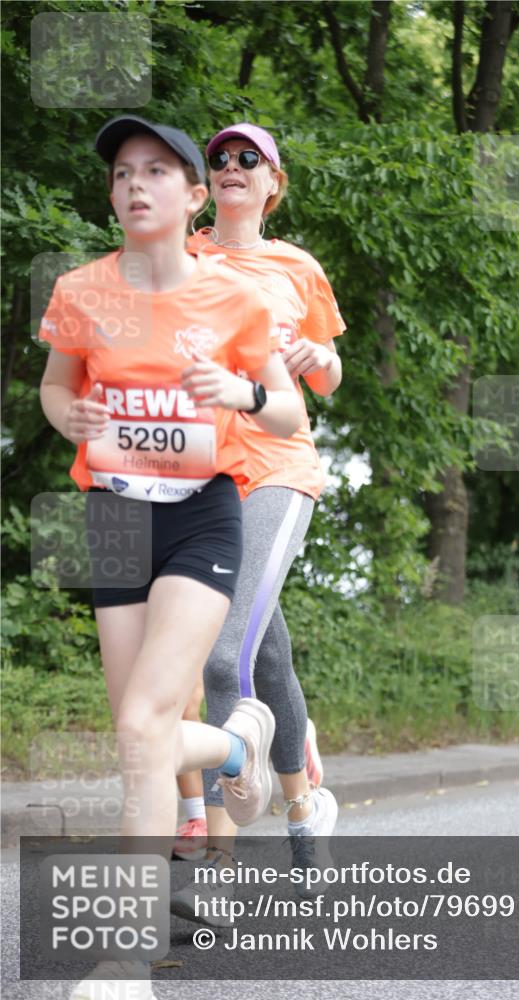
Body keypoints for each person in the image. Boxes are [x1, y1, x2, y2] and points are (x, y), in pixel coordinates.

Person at [39, 115, 302, 1000]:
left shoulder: (235, 298)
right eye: (122, 173)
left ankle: (123, 958)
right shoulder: (81, 289)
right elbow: (57, 383)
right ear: (113, 195)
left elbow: (289, 419)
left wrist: (242, 390)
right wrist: (63, 417)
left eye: (157, 171)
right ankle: (236, 746)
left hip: (202, 514)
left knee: (146, 724)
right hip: (113, 514)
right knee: (137, 734)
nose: (136, 184)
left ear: (193, 198)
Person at [170, 123, 345, 918]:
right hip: (199, 481)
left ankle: (218, 871)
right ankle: (305, 808)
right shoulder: (182, 252)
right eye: (220, 160)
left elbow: (329, 369)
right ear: (207, 184)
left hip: (278, 471)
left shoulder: (296, 267)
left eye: (250, 160)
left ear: (273, 183)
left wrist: (317, 362)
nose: (233, 167)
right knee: (262, 658)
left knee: (217, 662)